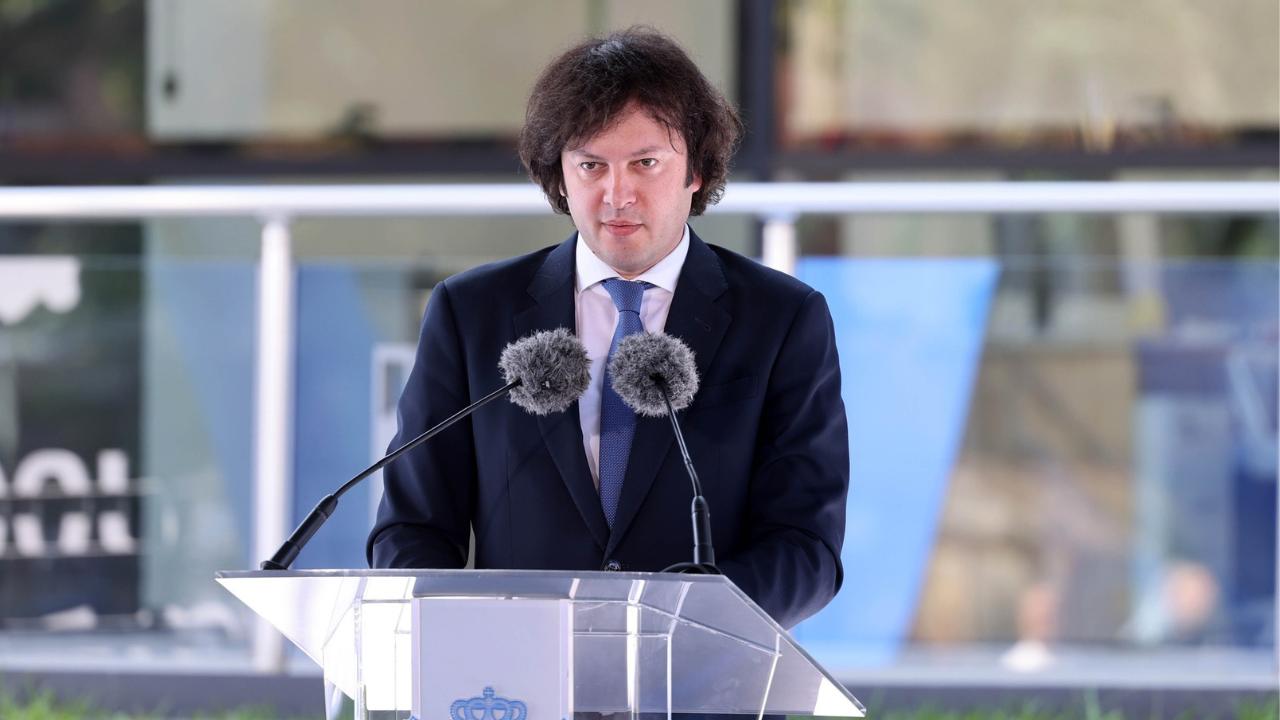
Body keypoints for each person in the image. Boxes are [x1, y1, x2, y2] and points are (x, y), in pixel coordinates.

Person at [367, 27, 849, 632]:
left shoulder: (781, 318)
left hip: (698, 669)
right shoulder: (471, 313)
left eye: (645, 163)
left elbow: (806, 546)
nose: (617, 195)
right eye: (591, 166)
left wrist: (683, 625)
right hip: (518, 670)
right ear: (560, 176)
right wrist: (455, 636)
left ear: (696, 170)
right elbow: (411, 527)